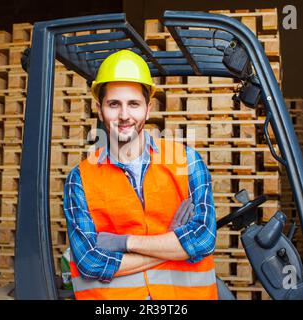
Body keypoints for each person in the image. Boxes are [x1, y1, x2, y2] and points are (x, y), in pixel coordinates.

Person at [63, 49, 218, 300]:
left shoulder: (186, 162)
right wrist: (173, 244)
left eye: (133, 103)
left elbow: (202, 240)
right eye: (114, 104)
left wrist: (123, 242)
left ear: (148, 108)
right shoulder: (79, 178)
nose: (124, 115)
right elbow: (91, 262)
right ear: (100, 110)